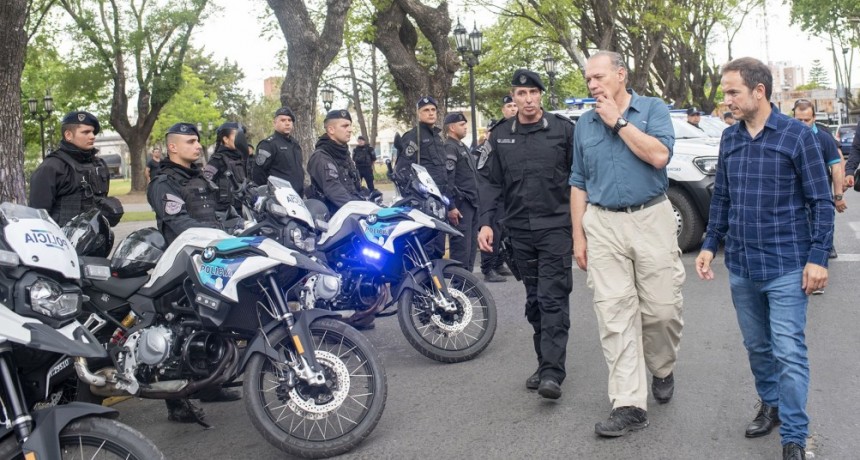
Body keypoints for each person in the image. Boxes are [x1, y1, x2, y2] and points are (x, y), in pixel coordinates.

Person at [695, 57, 834, 460]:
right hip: (742, 265)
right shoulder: (730, 138)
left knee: (788, 351)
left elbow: (820, 202)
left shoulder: (797, 137)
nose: (728, 99)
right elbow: (721, 197)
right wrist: (708, 244)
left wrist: (818, 257)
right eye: (725, 92)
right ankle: (770, 404)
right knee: (757, 347)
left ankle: (794, 435)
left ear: (759, 91)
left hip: (788, 264)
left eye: (733, 91)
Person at [569, 50, 685, 437]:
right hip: (602, 224)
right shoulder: (583, 125)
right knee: (614, 316)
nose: (592, 85)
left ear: (621, 74)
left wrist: (617, 123)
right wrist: (578, 235)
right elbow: (578, 182)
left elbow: (658, 156)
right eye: (588, 79)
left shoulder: (652, 110)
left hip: (651, 217)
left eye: (598, 77)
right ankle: (629, 403)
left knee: (662, 311)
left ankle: (662, 367)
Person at [477, 68, 574, 400]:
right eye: (521, 94)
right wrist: (487, 222)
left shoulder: (563, 130)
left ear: (540, 96)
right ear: (513, 98)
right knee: (534, 301)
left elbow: (580, 180)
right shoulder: (500, 135)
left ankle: (552, 372)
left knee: (552, 298)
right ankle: (543, 363)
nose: (528, 99)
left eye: (533, 93)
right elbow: (489, 183)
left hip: (556, 228)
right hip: (519, 232)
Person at [147, 122, 242, 422]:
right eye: (190, 142)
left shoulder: (200, 177)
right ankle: (176, 402)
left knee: (212, 324)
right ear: (173, 147)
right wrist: (217, 238)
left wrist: (236, 230)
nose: (198, 146)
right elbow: (179, 225)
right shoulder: (163, 182)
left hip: (208, 258)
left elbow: (219, 213)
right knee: (179, 332)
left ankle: (211, 385)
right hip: (181, 264)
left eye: (198, 141)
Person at [29, 111, 111, 227]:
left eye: (93, 132)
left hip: (96, 240)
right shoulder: (50, 168)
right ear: (68, 135)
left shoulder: (99, 165)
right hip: (61, 241)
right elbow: (37, 217)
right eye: (86, 132)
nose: (92, 136)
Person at [395, 96, 450, 259]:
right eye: (426, 110)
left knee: (439, 247)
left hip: (440, 199)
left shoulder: (437, 137)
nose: (431, 113)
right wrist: (417, 195)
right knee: (426, 248)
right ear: (418, 114)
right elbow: (402, 169)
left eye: (433, 110)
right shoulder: (413, 136)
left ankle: (435, 284)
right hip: (424, 201)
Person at [792, 99, 846, 269]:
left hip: (819, 194)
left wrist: (838, 196)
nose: (802, 124)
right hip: (794, 196)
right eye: (798, 120)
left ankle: (824, 250)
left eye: (806, 120)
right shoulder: (787, 137)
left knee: (822, 222)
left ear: (814, 118)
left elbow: (836, 168)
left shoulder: (824, 138)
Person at [478, 95, 519, 283]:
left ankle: (499, 263)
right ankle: (488, 268)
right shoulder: (497, 133)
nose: (512, 109)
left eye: (514, 105)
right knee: (492, 228)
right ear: (503, 110)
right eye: (509, 106)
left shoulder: (523, 129)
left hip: (513, 192)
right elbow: (487, 168)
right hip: (498, 191)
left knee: (504, 231)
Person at [307, 110, 364, 216]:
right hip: (333, 220)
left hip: (349, 214)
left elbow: (353, 187)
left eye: (350, 126)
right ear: (331, 129)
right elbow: (334, 191)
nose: (350, 130)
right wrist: (360, 209)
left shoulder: (343, 154)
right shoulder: (321, 157)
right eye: (345, 126)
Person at [443, 112, 479, 272]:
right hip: (460, 205)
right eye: (462, 125)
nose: (465, 128)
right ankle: (459, 286)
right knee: (461, 250)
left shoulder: (462, 146)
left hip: (471, 203)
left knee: (470, 249)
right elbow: (448, 181)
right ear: (451, 127)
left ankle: (469, 286)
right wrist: (451, 206)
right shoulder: (450, 147)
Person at [252, 107, 305, 196]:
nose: (287, 123)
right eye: (283, 120)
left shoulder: (295, 144)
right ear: (275, 123)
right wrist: (267, 195)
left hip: (297, 197)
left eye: (290, 120)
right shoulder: (268, 144)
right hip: (278, 197)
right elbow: (259, 174)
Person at [203, 122, 249, 216]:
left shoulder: (242, 158)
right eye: (237, 136)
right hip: (226, 213)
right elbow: (205, 183)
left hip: (245, 209)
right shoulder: (217, 160)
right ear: (226, 139)